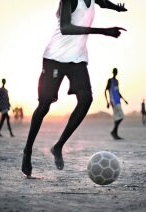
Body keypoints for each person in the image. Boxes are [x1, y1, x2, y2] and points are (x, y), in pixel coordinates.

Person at [21, 0, 127, 177]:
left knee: (86, 99)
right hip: (55, 58)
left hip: (77, 59)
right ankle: (27, 151)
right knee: (45, 105)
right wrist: (103, 31)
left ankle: (58, 146)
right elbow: (66, 27)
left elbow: (102, 3)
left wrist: (117, 7)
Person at [105, 68, 128, 140]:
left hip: (118, 100)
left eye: (116, 72)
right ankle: (113, 132)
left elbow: (118, 92)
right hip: (113, 101)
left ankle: (115, 134)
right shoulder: (110, 80)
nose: (115, 73)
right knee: (121, 116)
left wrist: (124, 100)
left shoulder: (117, 81)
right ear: (113, 72)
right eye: (114, 72)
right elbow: (105, 91)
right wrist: (107, 102)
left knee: (116, 118)